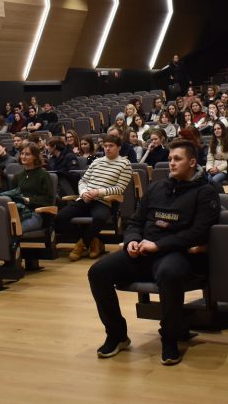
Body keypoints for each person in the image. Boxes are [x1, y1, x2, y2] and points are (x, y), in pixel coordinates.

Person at [88, 138, 220, 366]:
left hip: (178, 254)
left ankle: (170, 337)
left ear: (192, 162)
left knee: (170, 273)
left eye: (177, 159)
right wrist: (132, 240)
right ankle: (117, 335)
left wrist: (158, 245)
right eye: (170, 159)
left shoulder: (206, 192)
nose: (171, 163)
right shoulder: (157, 187)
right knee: (98, 271)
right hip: (143, 252)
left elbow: (197, 234)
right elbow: (135, 221)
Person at [58, 134, 131, 261]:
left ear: (119, 147)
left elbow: (119, 188)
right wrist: (83, 193)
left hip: (103, 201)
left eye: (111, 146)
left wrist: (98, 192)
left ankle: (81, 245)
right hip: (85, 198)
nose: (107, 148)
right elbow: (83, 181)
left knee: (100, 217)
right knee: (59, 218)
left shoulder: (125, 164)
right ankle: (93, 241)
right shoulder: (97, 161)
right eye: (105, 146)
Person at [5, 143, 54, 232]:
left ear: (35, 156)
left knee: (14, 229)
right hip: (18, 212)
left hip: (36, 213)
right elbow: (12, 196)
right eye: (22, 154)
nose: (23, 156)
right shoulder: (17, 176)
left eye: (27, 154)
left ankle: (14, 246)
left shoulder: (43, 175)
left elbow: (49, 199)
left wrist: (29, 200)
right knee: (0, 226)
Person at [205, 121, 228, 190]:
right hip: (213, 168)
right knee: (206, 181)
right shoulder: (212, 143)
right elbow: (210, 158)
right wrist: (209, 168)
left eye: (219, 129)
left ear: (223, 129)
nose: (216, 131)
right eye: (215, 129)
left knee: (213, 181)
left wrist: (218, 168)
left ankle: (220, 197)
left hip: (226, 169)